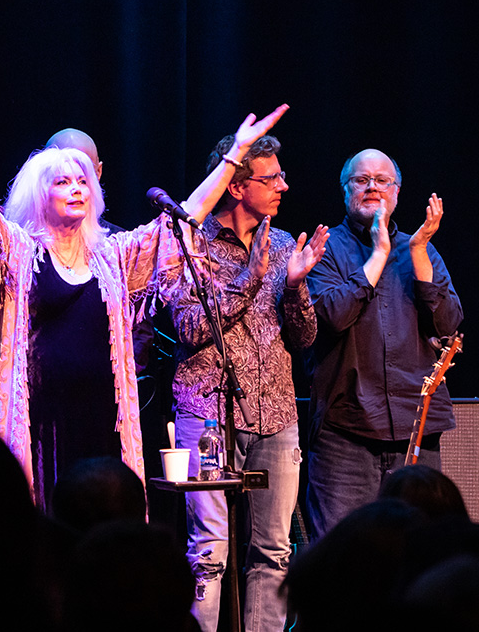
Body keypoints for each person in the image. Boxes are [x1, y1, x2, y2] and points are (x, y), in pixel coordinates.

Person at [0, 72, 288, 507]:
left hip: (103, 420)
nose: (75, 189)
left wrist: (235, 155)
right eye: (62, 182)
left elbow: (187, 215)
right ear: (42, 194)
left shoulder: (114, 257)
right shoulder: (19, 254)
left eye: (82, 182)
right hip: (39, 419)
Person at [167, 134, 327, 632]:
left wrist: (297, 287)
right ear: (237, 187)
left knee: (273, 553)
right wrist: (250, 278)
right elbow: (191, 329)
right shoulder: (189, 243)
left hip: (276, 415)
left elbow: (303, 338)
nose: (284, 185)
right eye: (271, 177)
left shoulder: (282, 244)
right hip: (206, 412)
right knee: (209, 555)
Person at [305, 148, 463, 540]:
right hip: (346, 434)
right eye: (361, 180)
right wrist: (378, 255)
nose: (372, 186)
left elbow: (450, 326)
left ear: (396, 192)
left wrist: (420, 254)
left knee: (420, 559)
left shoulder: (419, 249)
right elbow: (332, 316)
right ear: (345, 191)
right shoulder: (325, 251)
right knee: (345, 561)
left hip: (416, 430)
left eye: (382, 180)